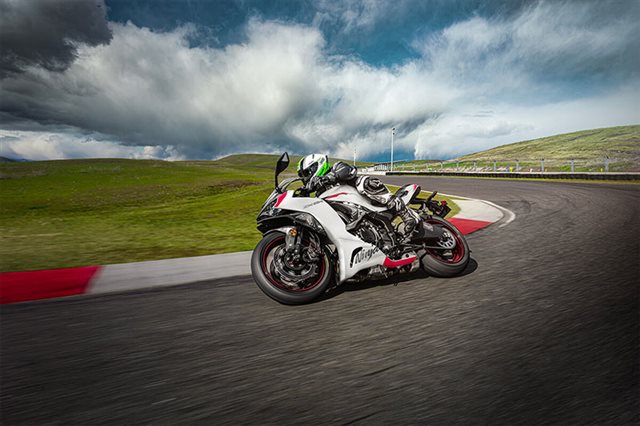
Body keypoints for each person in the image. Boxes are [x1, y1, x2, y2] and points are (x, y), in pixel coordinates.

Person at [297, 154, 421, 239]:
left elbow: (350, 170)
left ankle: (406, 215)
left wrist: (329, 177)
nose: (305, 178)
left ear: (317, 166)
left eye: (307, 173)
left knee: (364, 182)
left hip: (370, 203)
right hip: (355, 219)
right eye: (303, 175)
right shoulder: (320, 194)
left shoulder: (336, 168)